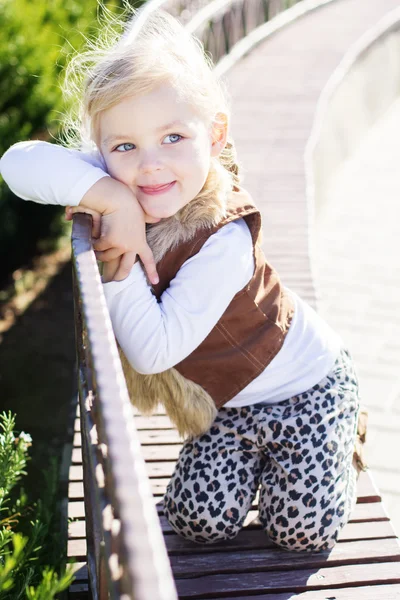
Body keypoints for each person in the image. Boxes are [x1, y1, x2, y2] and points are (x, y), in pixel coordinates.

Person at [0, 8, 363, 552]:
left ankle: (340, 439)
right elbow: (16, 162)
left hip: (306, 388)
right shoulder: (121, 179)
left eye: (173, 137)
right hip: (228, 406)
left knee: (300, 532)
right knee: (197, 523)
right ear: (102, 148)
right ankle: (262, 463)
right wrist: (111, 198)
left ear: (214, 135)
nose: (149, 165)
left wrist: (118, 256)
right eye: (124, 147)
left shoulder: (225, 239)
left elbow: (154, 351)